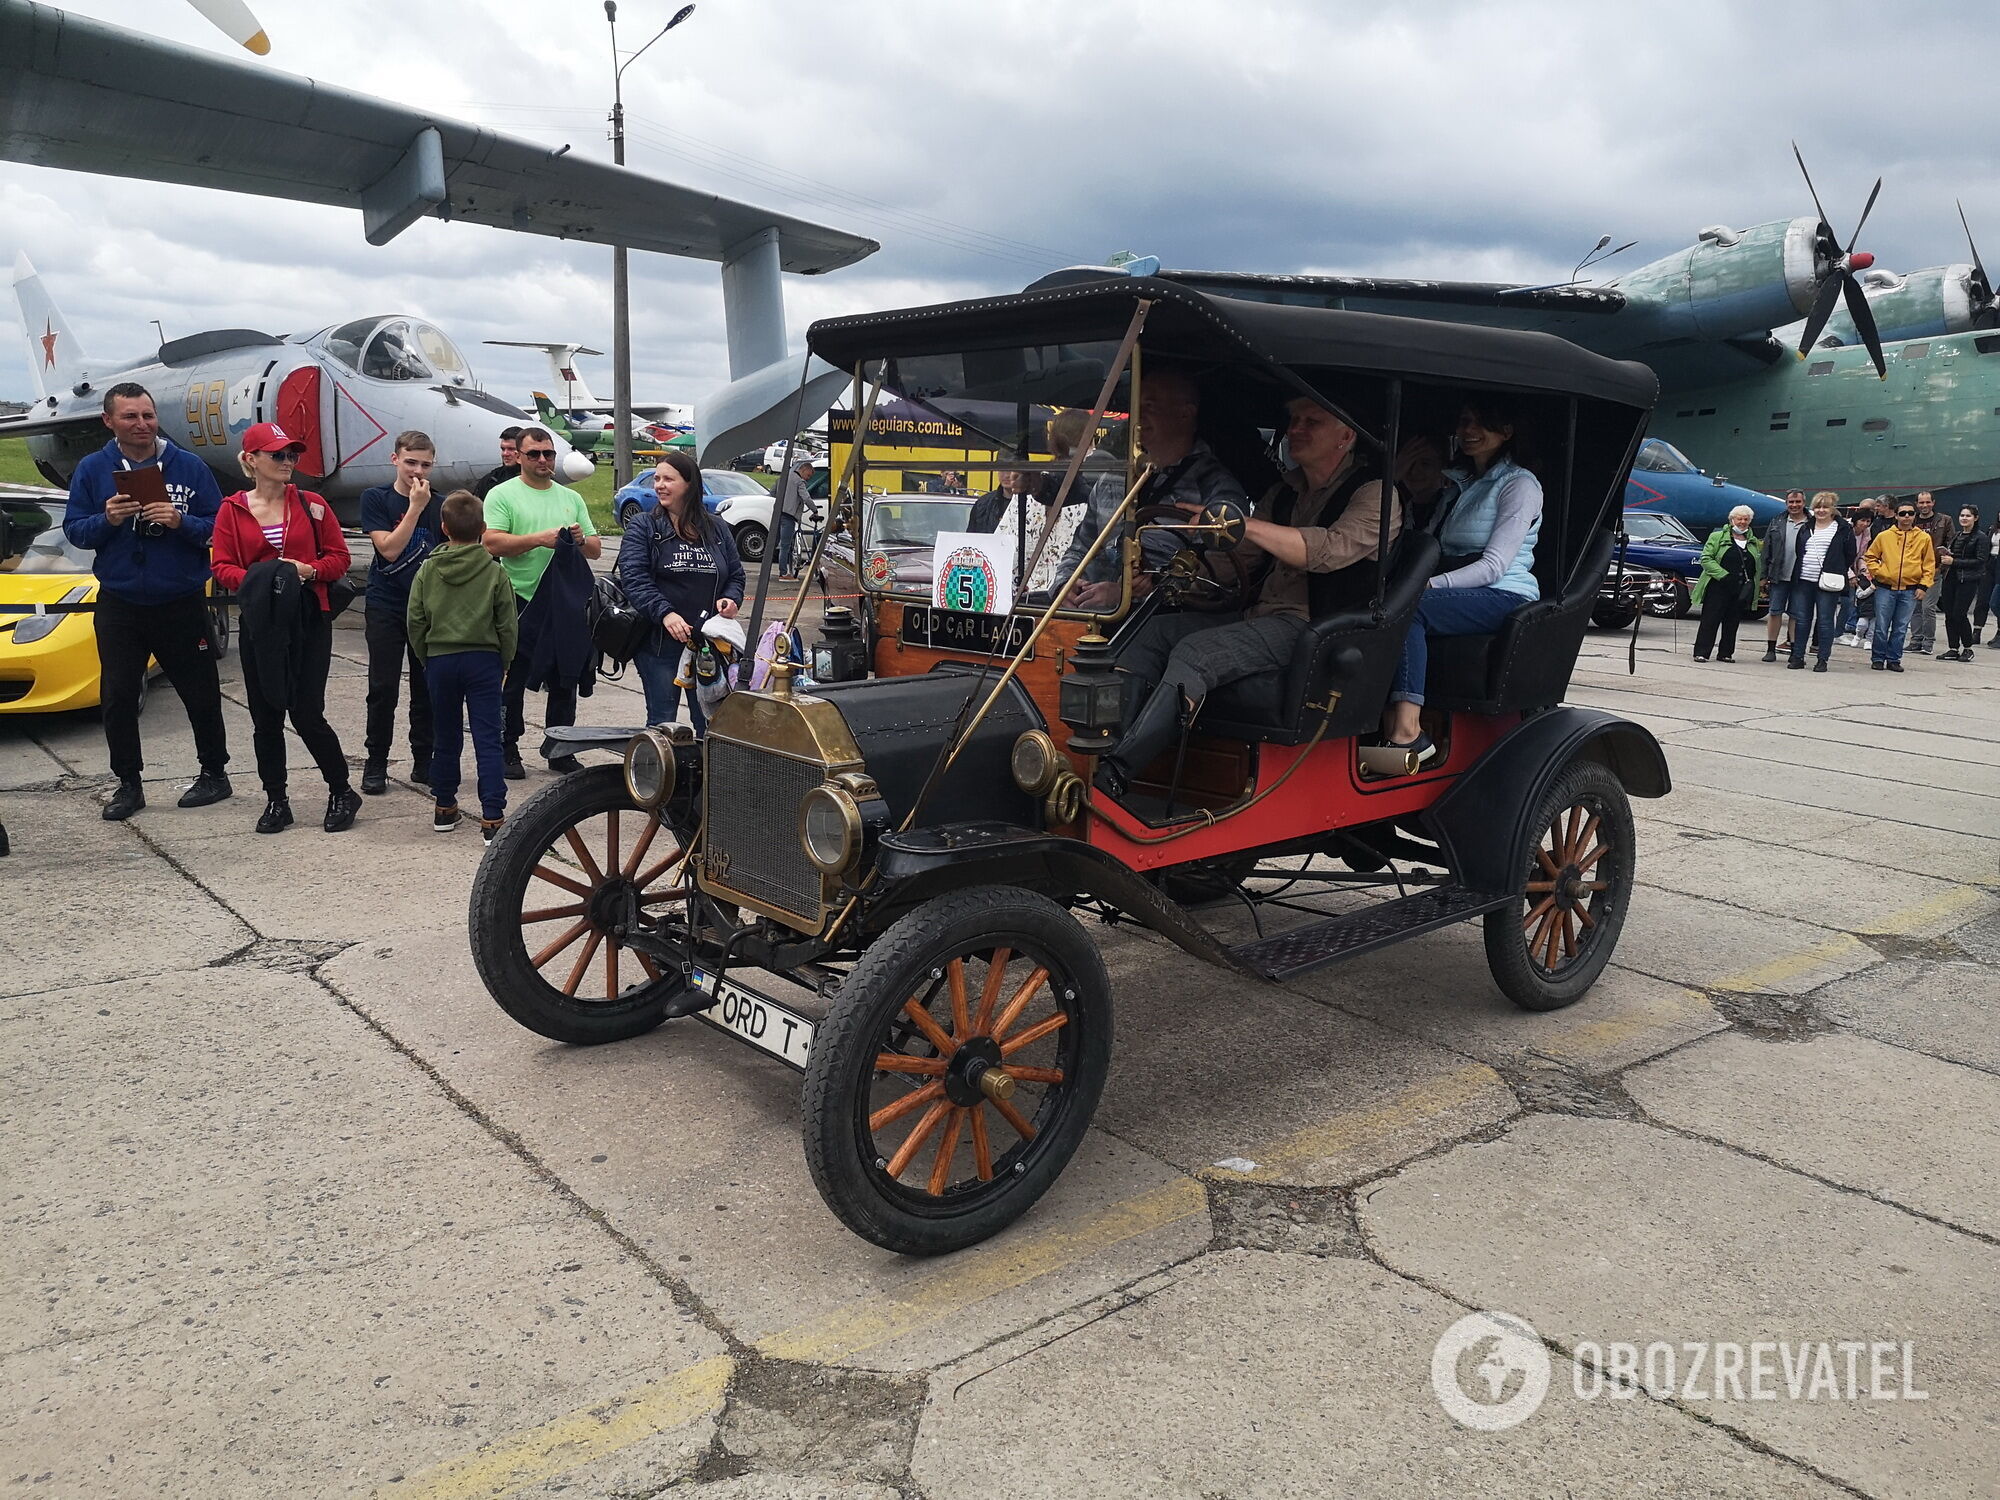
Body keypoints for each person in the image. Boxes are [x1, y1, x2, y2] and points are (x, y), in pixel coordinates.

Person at [1097, 395, 1397, 796]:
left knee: (1196, 652)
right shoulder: (1285, 492)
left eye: (1312, 421)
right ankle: (1104, 751)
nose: (1296, 429)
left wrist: (1244, 524)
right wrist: (1171, 577)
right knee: (1148, 636)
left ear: (1345, 436)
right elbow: (1239, 561)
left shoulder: (1376, 495)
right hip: (1260, 615)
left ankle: (1116, 774)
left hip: (1319, 628)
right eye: (1293, 420)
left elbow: (1327, 551)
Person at [60, 382, 233, 820]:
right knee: (118, 694)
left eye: (148, 415)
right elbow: (76, 530)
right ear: (109, 421)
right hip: (121, 602)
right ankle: (128, 783)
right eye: (130, 416)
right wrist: (108, 519)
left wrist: (181, 521)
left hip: (180, 599)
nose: (142, 424)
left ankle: (215, 773)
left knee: (200, 692)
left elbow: (218, 527)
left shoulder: (189, 466)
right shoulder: (93, 469)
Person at [209, 423, 360, 834]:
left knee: (307, 712)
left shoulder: (312, 504)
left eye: (292, 455)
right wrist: (267, 579)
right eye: (278, 455)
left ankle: (342, 790)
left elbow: (339, 558)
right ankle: (276, 798)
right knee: (266, 714)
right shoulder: (232, 509)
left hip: (309, 615)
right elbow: (221, 566)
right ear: (251, 460)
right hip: (262, 620)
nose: (288, 462)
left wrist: (306, 572)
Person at [1382, 400, 1539, 760]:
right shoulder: (1459, 487)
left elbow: (1494, 566)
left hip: (1504, 594)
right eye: (1465, 421)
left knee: (1411, 607)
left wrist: (1427, 587)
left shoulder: (1520, 485)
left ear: (1506, 432)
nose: (1469, 431)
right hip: (1464, 589)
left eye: (1481, 423)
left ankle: (1408, 732)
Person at [1060, 365, 1248, 613]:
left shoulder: (1215, 487)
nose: (1138, 413)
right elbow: (1081, 547)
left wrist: (1132, 593)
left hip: (1167, 614)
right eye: (1136, 404)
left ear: (1185, 414)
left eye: (1150, 405)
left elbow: (1218, 571)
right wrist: (1065, 585)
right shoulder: (1113, 479)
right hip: (1090, 607)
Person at [484, 425, 601, 777]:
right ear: (518, 456)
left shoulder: (571, 498)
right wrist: (538, 539)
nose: (542, 460)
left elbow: (595, 550)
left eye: (548, 454)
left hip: (564, 602)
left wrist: (579, 540)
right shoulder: (502, 495)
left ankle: (559, 747)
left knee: (565, 678)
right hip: (519, 598)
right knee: (515, 678)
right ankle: (508, 747)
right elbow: (491, 543)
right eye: (533, 454)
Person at [407, 491, 518, 841]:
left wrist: (427, 656)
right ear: (484, 529)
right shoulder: (494, 571)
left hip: (440, 658)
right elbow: (507, 624)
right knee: (487, 737)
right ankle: (492, 816)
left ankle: (444, 805)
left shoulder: (427, 569)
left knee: (446, 734)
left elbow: (415, 619)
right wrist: (505, 661)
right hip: (483, 660)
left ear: (443, 527)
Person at [617, 454, 744, 732]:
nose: (660, 485)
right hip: (660, 645)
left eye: (668, 479)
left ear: (689, 484)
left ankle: (705, 775)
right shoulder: (644, 525)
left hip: (707, 645)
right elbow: (634, 579)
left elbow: (735, 575)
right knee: (663, 724)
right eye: (657, 479)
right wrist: (665, 613)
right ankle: (662, 774)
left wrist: (731, 599)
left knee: (711, 724)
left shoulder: (716, 527)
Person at [357, 430, 442, 794]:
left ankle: (424, 761)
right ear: (395, 460)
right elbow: (389, 550)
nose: (417, 471)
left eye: (425, 464)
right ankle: (376, 761)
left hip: (427, 609)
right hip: (387, 603)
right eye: (410, 462)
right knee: (383, 686)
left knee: (427, 689)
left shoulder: (440, 504)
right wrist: (415, 508)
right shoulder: (376, 498)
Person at [1784, 492, 1858, 672]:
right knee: (1802, 620)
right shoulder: (1807, 527)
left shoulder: (1842, 529)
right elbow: (1800, 550)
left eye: (1825, 507)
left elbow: (1850, 553)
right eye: (1818, 507)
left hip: (1827, 581)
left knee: (1825, 620)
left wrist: (1836, 568)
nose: (1821, 510)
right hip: (1804, 579)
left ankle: (1822, 658)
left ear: (1832, 509)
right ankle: (1798, 656)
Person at [1861, 498, 1935, 672]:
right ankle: (1878, 658)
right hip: (1886, 588)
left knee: (1901, 627)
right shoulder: (1884, 536)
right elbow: (1870, 556)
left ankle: (1894, 658)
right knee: (1881, 626)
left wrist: (1923, 586)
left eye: (1910, 513)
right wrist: (1879, 572)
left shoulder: (1924, 538)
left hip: (1910, 590)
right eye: (1903, 513)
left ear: (1914, 516)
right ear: (1896, 516)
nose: (1907, 517)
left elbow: (1929, 564)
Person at [1690, 505, 1763, 663]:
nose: (1742, 522)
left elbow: (1756, 565)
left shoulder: (1754, 542)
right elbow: (1706, 559)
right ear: (1732, 520)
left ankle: (1726, 653)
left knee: (1732, 622)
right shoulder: (1717, 537)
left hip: (1740, 588)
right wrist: (1723, 575)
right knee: (1710, 620)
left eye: (1746, 519)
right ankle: (1701, 652)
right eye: (1739, 518)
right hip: (1718, 586)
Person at [1761, 490, 1809, 660]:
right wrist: (1763, 575)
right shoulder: (1777, 521)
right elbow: (1766, 549)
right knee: (1775, 612)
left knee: (1795, 614)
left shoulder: (1812, 523)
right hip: (1778, 575)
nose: (1794, 505)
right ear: (1786, 503)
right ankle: (1771, 649)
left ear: (1804, 502)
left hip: (1801, 577)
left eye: (1797, 502)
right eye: (1791, 502)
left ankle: (1794, 649)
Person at [1936, 504, 1988, 661]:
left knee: (1959, 613)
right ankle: (1953, 648)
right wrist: (1946, 556)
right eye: (1962, 515)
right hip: (1950, 578)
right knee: (1949, 614)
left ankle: (1968, 647)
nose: (1964, 518)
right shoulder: (1957, 535)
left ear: (1975, 518)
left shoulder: (1981, 537)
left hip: (1968, 580)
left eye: (1968, 516)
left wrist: (1954, 561)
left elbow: (1980, 560)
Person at [1908, 491, 1955, 655]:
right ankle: (1915, 641)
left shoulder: (1945, 520)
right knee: (1915, 607)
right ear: (1916, 504)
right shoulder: (1911, 519)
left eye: (1927, 502)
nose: (1924, 505)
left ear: (1933, 503)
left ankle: (1928, 643)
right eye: (1921, 503)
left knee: (1928, 607)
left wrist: (1941, 568)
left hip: (1933, 570)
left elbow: (1951, 545)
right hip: (1913, 570)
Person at [773, 457, 813, 579]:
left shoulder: (783, 477)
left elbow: (773, 491)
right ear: (803, 470)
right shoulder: (799, 482)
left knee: (774, 543)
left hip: (777, 513)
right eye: (808, 475)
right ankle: (784, 573)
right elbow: (806, 498)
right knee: (785, 546)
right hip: (789, 516)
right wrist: (814, 510)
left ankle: (769, 570)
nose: (808, 478)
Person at [473, 427, 523, 499]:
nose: (505, 454)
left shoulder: (537, 479)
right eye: (503, 449)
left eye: (511, 449)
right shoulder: (491, 480)